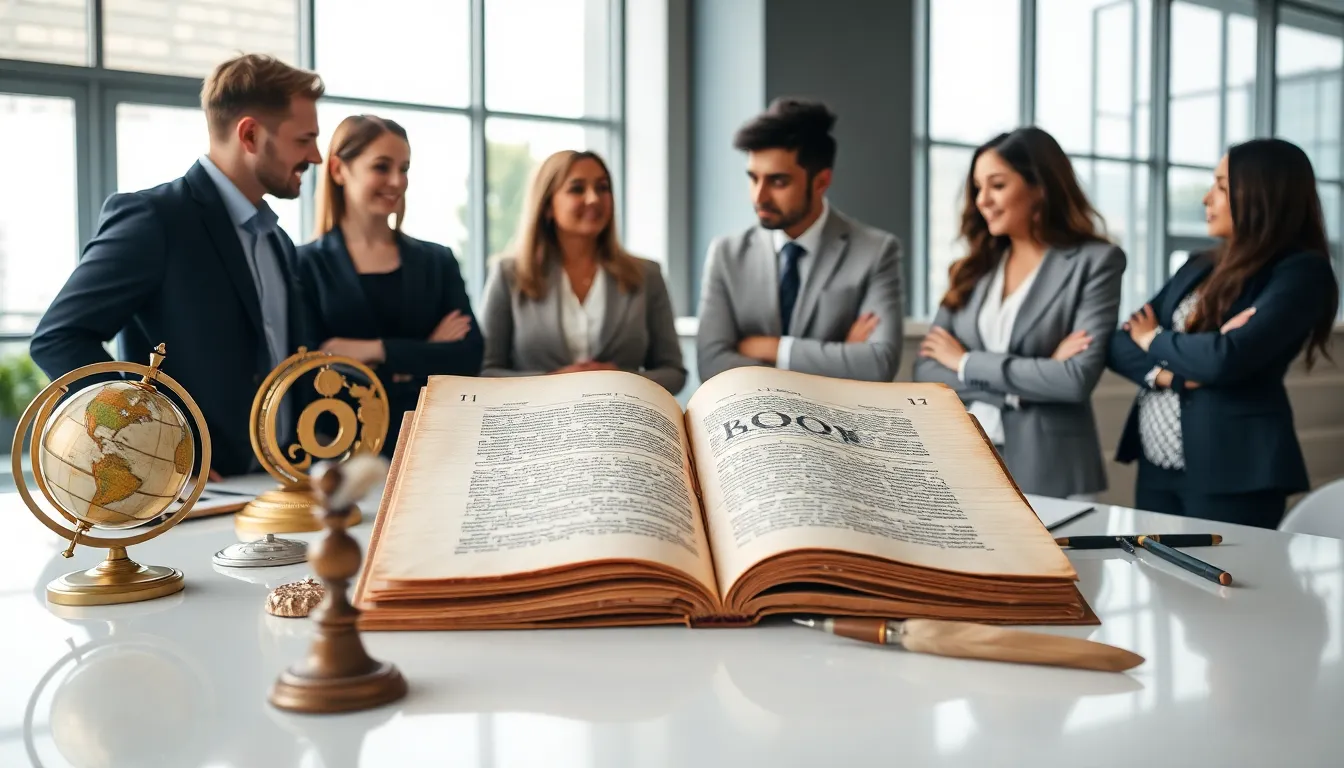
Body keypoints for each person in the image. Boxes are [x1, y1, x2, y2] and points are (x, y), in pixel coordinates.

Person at [29, 53, 325, 478]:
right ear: (250, 134)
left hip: (281, 486)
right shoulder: (155, 219)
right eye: (304, 139)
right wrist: (155, 450)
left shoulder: (277, 240)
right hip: (193, 499)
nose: (315, 156)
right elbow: (58, 338)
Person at [1107, 137, 1338, 528]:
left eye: (1222, 187)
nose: (1206, 199)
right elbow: (1117, 341)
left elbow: (1224, 358)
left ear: (1262, 195)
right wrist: (1171, 374)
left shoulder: (1300, 273)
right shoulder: (1199, 264)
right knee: (1156, 584)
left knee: (1226, 586)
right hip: (1158, 465)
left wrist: (1154, 339)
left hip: (1233, 471)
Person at [913, 127, 1125, 500]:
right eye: (978, 188)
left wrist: (964, 362)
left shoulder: (1095, 262)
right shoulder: (971, 269)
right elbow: (928, 371)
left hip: (1052, 468)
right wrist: (1026, 384)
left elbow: (1074, 380)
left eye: (997, 185)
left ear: (1040, 186)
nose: (982, 200)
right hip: (968, 458)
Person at [296, 114, 483, 456]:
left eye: (405, 168)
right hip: (340, 452)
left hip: (433, 445)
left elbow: (468, 356)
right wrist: (424, 354)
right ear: (338, 170)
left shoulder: (437, 261)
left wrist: (374, 352)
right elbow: (310, 372)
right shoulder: (304, 264)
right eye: (381, 167)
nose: (397, 181)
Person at [695, 98, 904, 384]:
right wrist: (839, 356)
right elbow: (711, 365)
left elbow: (878, 364)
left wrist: (773, 348)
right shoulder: (726, 254)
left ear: (820, 182)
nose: (759, 197)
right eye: (753, 178)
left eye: (778, 182)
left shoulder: (876, 251)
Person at [478, 149, 686, 394]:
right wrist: (554, 380)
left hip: (622, 423)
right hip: (538, 425)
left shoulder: (647, 275)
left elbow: (674, 372)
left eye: (603, 188)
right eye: (577, 189)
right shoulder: (508, 274)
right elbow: (486, 372)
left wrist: (621, 378)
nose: (593, 199)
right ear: (547, 206)